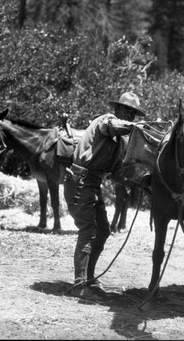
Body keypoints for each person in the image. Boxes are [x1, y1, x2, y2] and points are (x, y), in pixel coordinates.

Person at [64, 91, 146, 300]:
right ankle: (79, 284)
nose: (129, 116)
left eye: (133, 113)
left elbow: (118, 173)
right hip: (80, 181)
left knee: (103, 231)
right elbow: (112, 127)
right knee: (89, 230)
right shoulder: (106, 121)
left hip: (92, 184)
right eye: (126, 110)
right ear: (117, 109)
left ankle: (89, 279)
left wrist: (142, 182)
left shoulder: (120, 143)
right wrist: (142, 129)